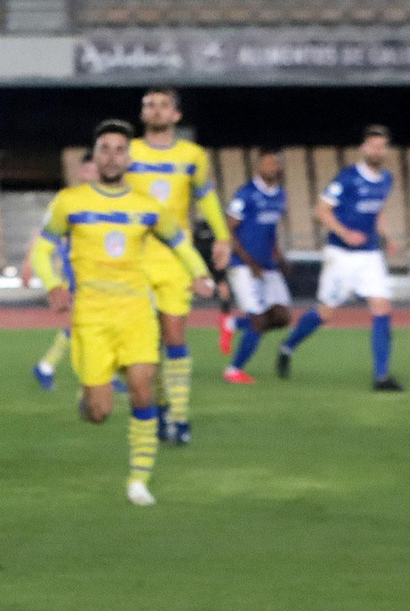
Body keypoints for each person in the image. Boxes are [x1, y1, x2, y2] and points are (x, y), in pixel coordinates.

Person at [29, 120, 215, 507]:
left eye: (119, 149)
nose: (112, 156)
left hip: (136, 313)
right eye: (105, 149)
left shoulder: (148, 208)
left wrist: (200, 274)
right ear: (95, 157)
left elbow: (180, 242)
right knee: (98, 413)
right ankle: (89, 393)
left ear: (128, 158)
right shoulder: (71, 202)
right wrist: (53, 284)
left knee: (143, 387)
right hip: (92, 319)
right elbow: (42, 250)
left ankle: (138, 481)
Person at [128, 87, 232, 444]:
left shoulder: (192, 156)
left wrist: (222, 237)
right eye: (149, 105)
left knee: (174, 335)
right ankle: (157, 408)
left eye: (163, 106)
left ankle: (180, 416)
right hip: (134, 260)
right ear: (143, 114)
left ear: (175, 115)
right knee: (145, 343)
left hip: (175, 259)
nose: (155, 110)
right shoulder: (128, 152)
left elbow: (205, 197)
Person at [275, 126, 402, 391]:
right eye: (373, 145)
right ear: (364, 148)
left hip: (369, 254)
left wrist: (388, 237)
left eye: (382, 146)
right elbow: (321, 210)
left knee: (382, 307)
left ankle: (381, 377)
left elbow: (377, 212)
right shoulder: (347, 178)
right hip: (341, 255)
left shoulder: (387, 180)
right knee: (325, 313)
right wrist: (345, 233)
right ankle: (288, 346)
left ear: (385, 149)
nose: (377, 151)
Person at [222, 148, 293, 384]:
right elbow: (228, 228)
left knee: (282, 316)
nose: (273, 167)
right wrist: (248, 261)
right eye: (269, 163)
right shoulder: (246, 194)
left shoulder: (280, 196)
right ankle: (234, 370)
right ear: (259, 166)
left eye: (277, 164)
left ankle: (233, 324)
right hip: (243, 265)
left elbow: (270, 231)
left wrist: (280, 258)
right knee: (259, 321)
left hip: (267, 265)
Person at [29, 151, 96, 392]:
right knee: (86, 320)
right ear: (80, 173)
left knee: (87, 321)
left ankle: (47, 365)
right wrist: (31, 265)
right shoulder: (66, 200)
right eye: (88, 169)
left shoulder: (108, 200)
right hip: (75, 268)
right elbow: (44, 232)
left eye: (95, 170)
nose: (92, 174)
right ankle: (99, 373)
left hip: (101, 270)